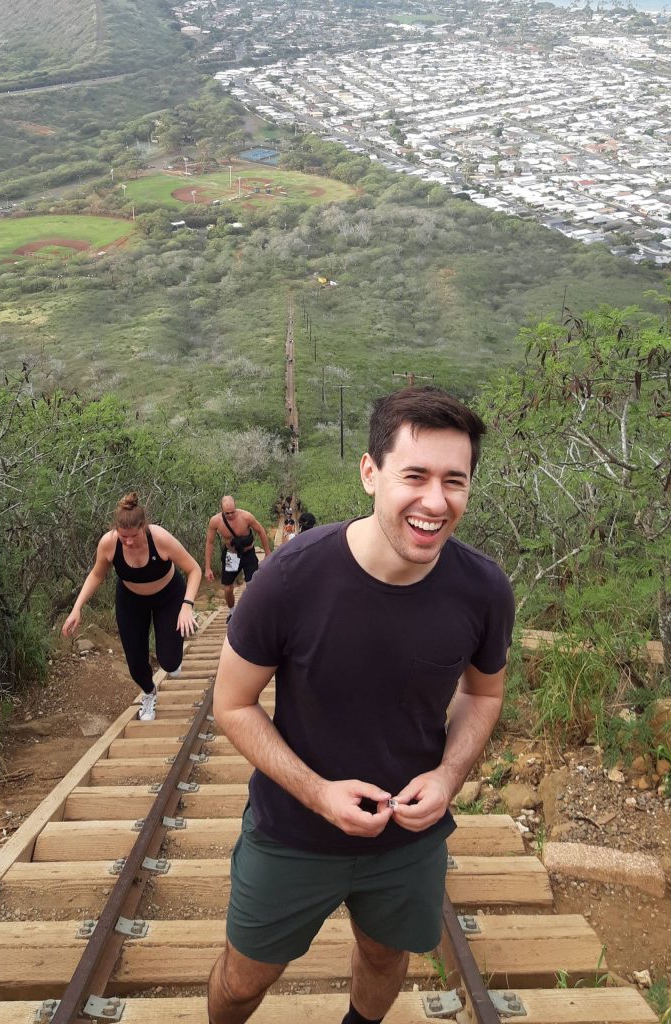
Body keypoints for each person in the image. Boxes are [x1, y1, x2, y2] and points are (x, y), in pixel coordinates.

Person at [207, 387, 514, 1024]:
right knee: (241, 983)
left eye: (454, 481)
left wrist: (449, 775)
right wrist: (318, 793)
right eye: (416, 476)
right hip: (292, 832)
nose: (436, 501)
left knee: (383, 961)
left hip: (407, 840)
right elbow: (232, 704)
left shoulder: (482, 590)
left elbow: (484, 692)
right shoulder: (291, 578)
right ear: (370, 474)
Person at [62, 493, 202, 721]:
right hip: (131, 600)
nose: (127, 541)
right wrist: (77, 608)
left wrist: (187, 605)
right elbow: (97, 574)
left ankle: (172, 654)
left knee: (170, 662)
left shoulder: (160, 539)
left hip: (169, 596)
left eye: (133, 535)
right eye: (123, 536)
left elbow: (194, 569)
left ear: (143, 527)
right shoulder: (109, 543)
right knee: (135, 662)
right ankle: (149, 693)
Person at [204, 496, 272, 620]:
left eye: (232, 512)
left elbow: (261, 531)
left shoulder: (246, 517)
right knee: (228, 588)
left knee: (253, 585)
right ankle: (232, 612)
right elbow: (210, 542)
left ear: (236, 507)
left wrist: (267, 552)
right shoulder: (215, 521)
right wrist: (207, 567)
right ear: (221, 509)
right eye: (227, 513)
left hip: (248, 554)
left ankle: (253, 613)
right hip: (231, 555)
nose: (230, 515)